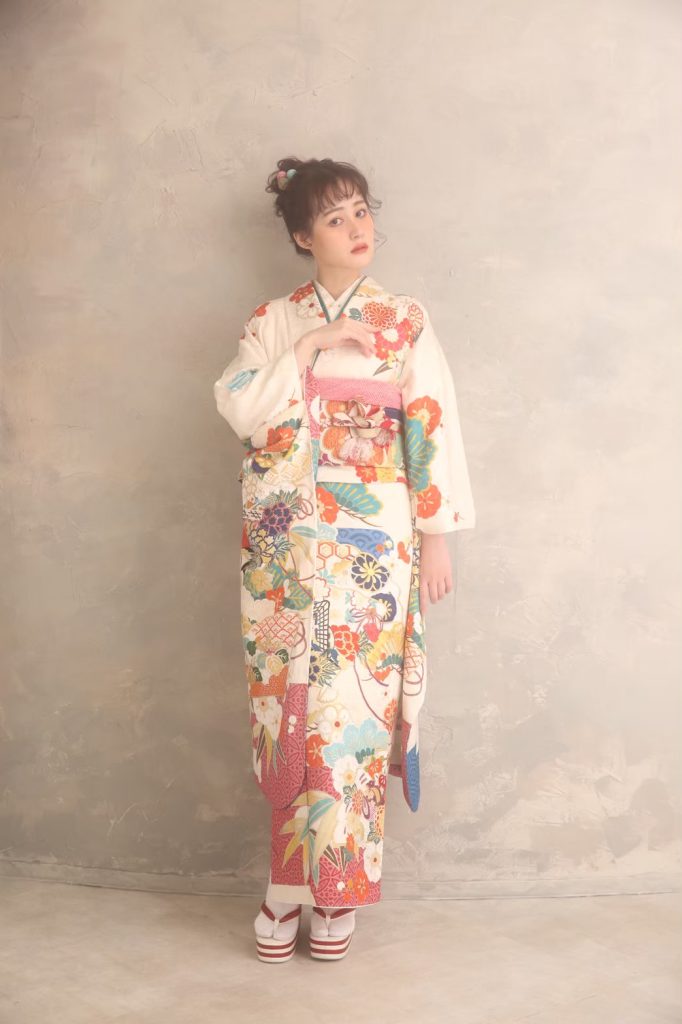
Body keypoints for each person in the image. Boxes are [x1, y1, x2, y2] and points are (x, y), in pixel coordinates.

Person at [213, 157, 476, 962]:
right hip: (289, 545)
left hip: (372, 540)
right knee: (289, 705)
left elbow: (429, 420)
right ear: (303, 236)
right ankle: (285, 885)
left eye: (362, 210)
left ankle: (337, 889)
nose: (357, 227)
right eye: (335, 218)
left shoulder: (403, 319)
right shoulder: (274, 321)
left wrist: (435, 533)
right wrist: (311, 346)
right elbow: (239, 404)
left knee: (353, 711)